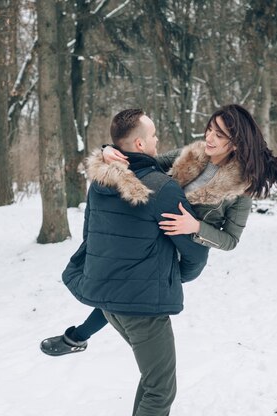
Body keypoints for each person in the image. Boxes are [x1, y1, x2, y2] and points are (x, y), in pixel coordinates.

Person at [41, 103, 277, 357]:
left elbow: (231, 239)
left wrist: (196, 226)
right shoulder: (194, 154)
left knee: (128, 288)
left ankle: (85, 340)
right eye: (210, 128)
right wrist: (109, 152)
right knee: (123, 287)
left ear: (235, 143)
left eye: (219, 135)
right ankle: (77, 338)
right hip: (155, 235)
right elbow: (143, 162)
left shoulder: (241, 188)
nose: (209, 138)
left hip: (186, 251)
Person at [60, 108, 210, 416]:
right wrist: (178, 275)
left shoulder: (101, 181)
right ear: (140, 144)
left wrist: (106, 152)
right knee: (160, 388)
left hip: (109, 302)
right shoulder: (162, 188)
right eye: (153, 135)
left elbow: (90, 234)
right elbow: (194, 249)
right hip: (142, 309)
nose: (157, 139)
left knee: (153, 377)